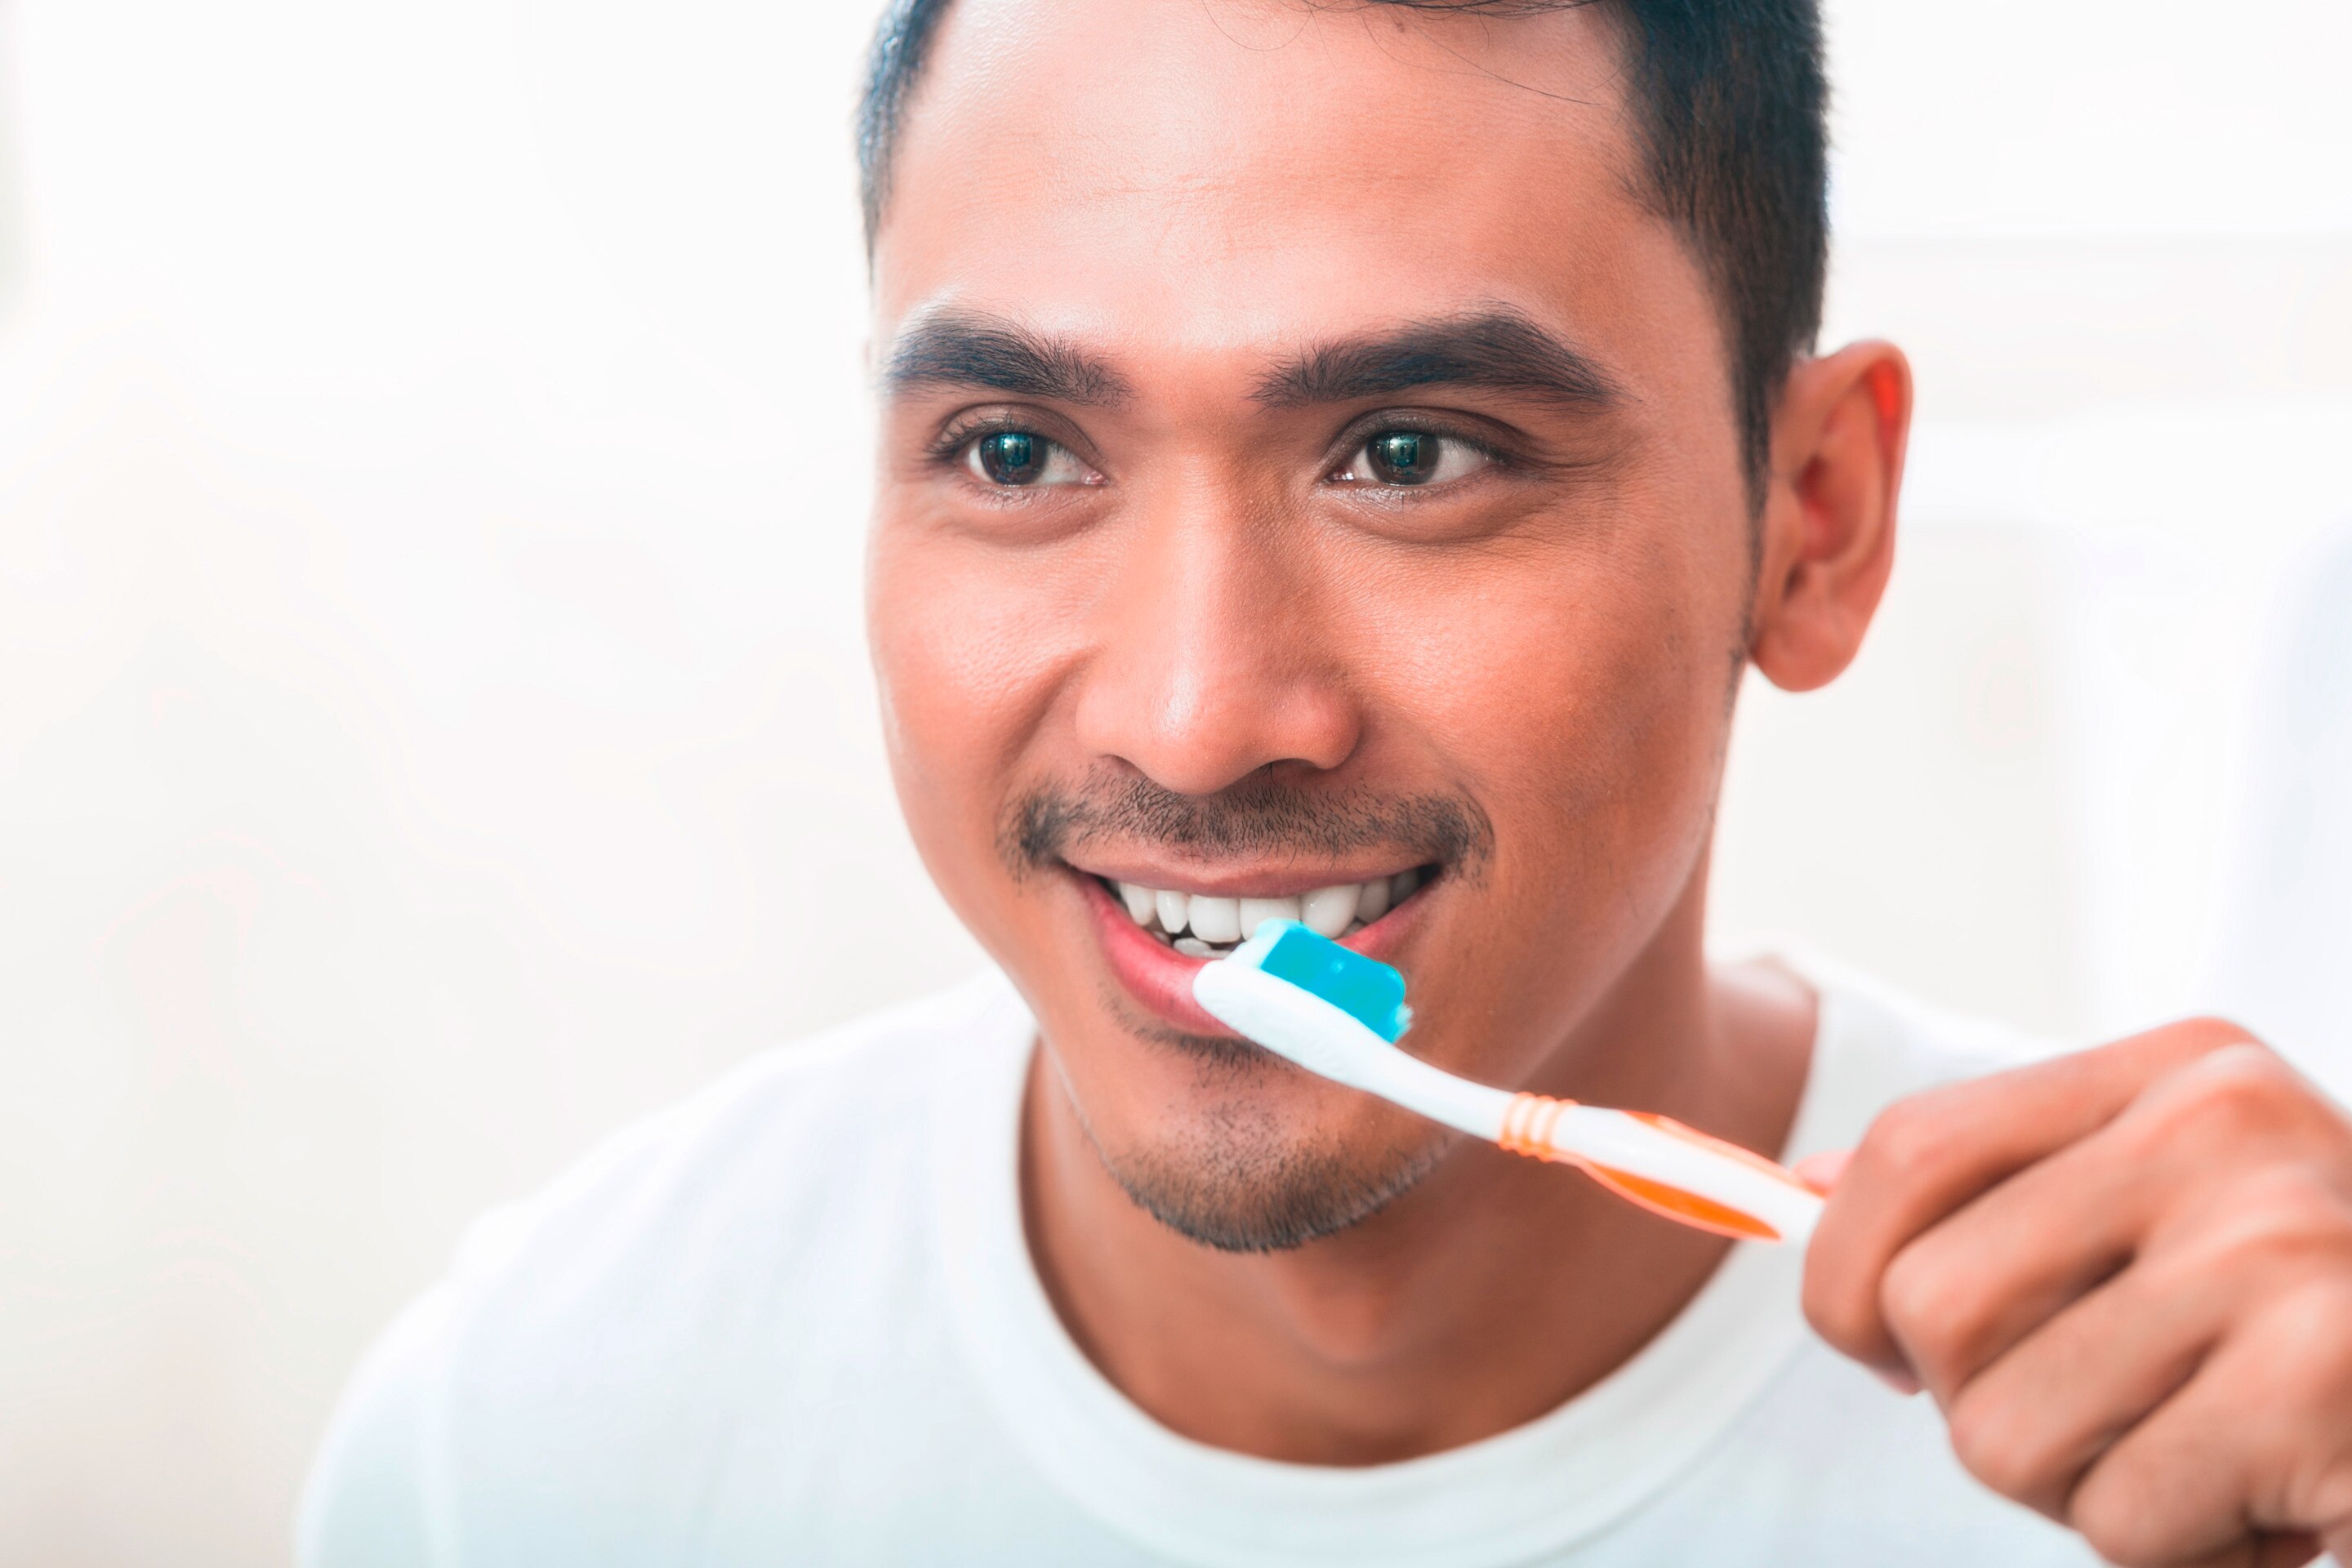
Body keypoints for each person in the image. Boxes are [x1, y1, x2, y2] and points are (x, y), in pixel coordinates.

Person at [298, 2, 2352, 1563]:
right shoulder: (531, 1449)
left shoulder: (2201, 1456)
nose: (1196, 718)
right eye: (1015, 453)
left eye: (1415, 454)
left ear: (1810, 521)